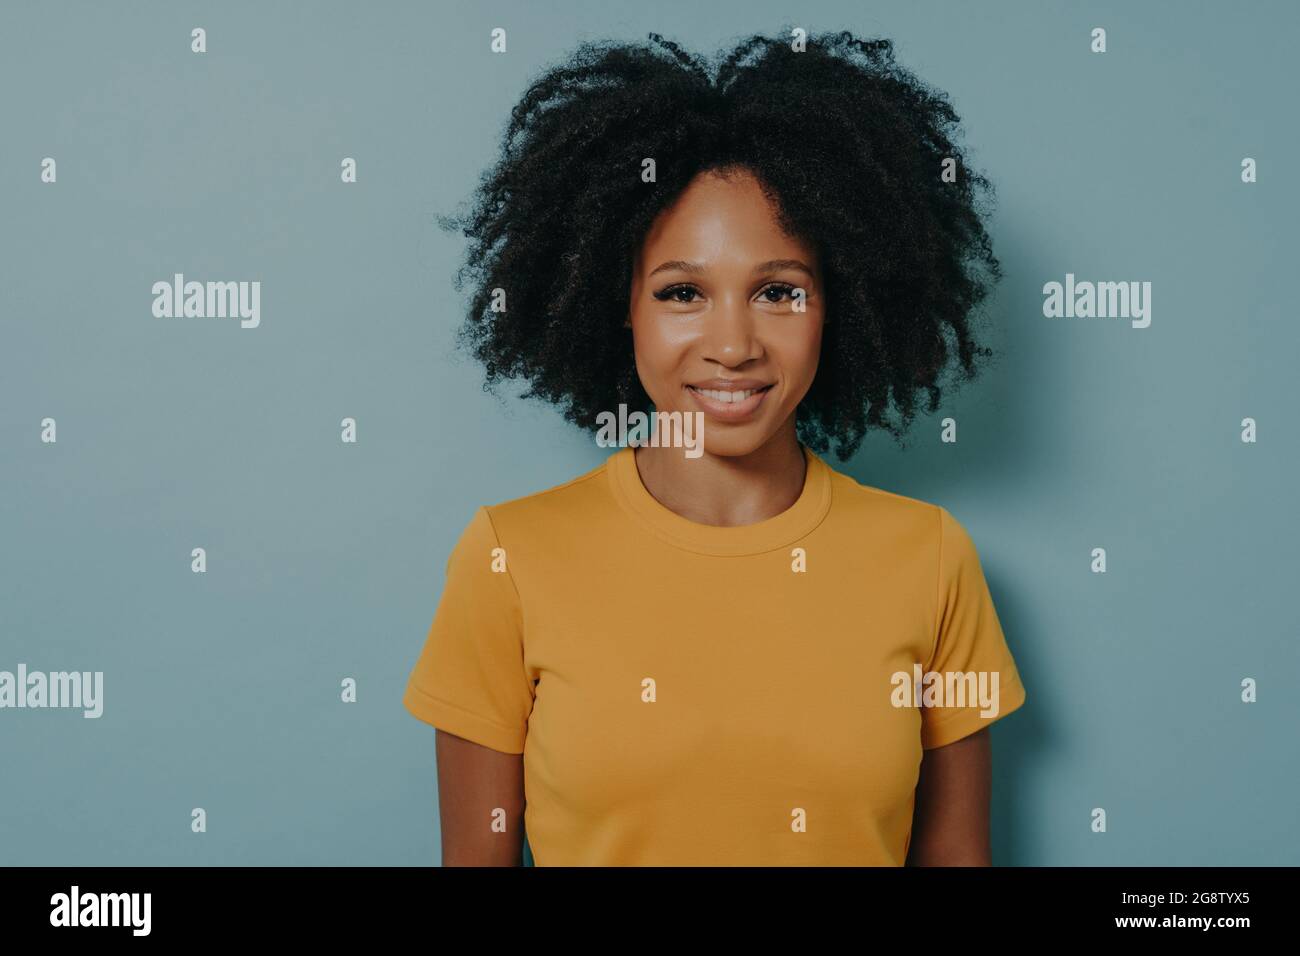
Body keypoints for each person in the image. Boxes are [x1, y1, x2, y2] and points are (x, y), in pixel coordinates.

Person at [404, 31, 1026, 866]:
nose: (732, 345)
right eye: (682, 292)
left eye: (779, 291)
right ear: (615, 302)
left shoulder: (931, 559)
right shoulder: (507, 560)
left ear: (838, 304)